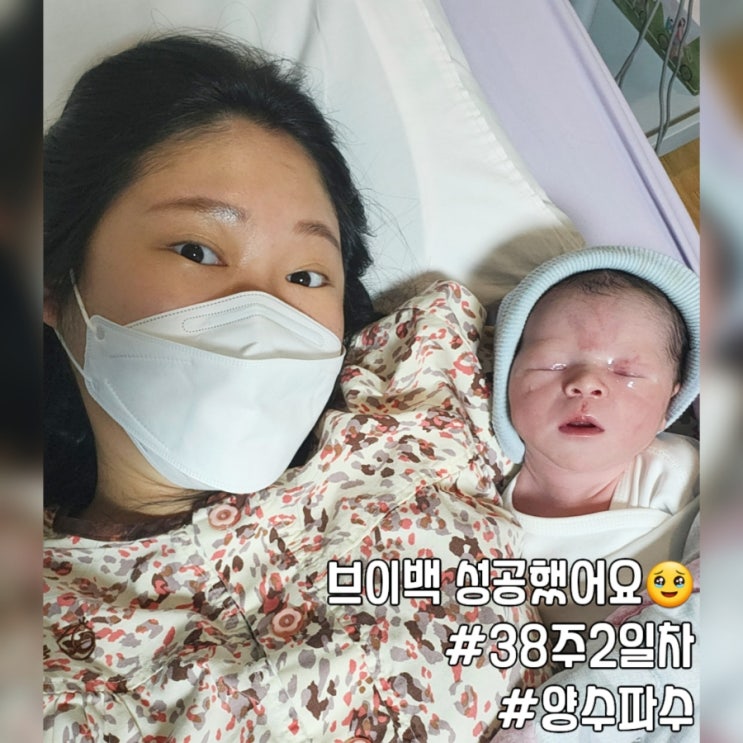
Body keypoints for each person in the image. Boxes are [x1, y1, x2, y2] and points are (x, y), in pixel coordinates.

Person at [43, 35, 546, 741]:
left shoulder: (415, 404)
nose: (262, 313)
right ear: (53, 281)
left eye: (307, 275)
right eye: (197, 250)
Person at [491, 245, 700, 624]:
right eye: (552, 364)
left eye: (626, 372)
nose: (586, 383)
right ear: (506, 377)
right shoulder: (484, 513)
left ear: (670, 402)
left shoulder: (685, 472)